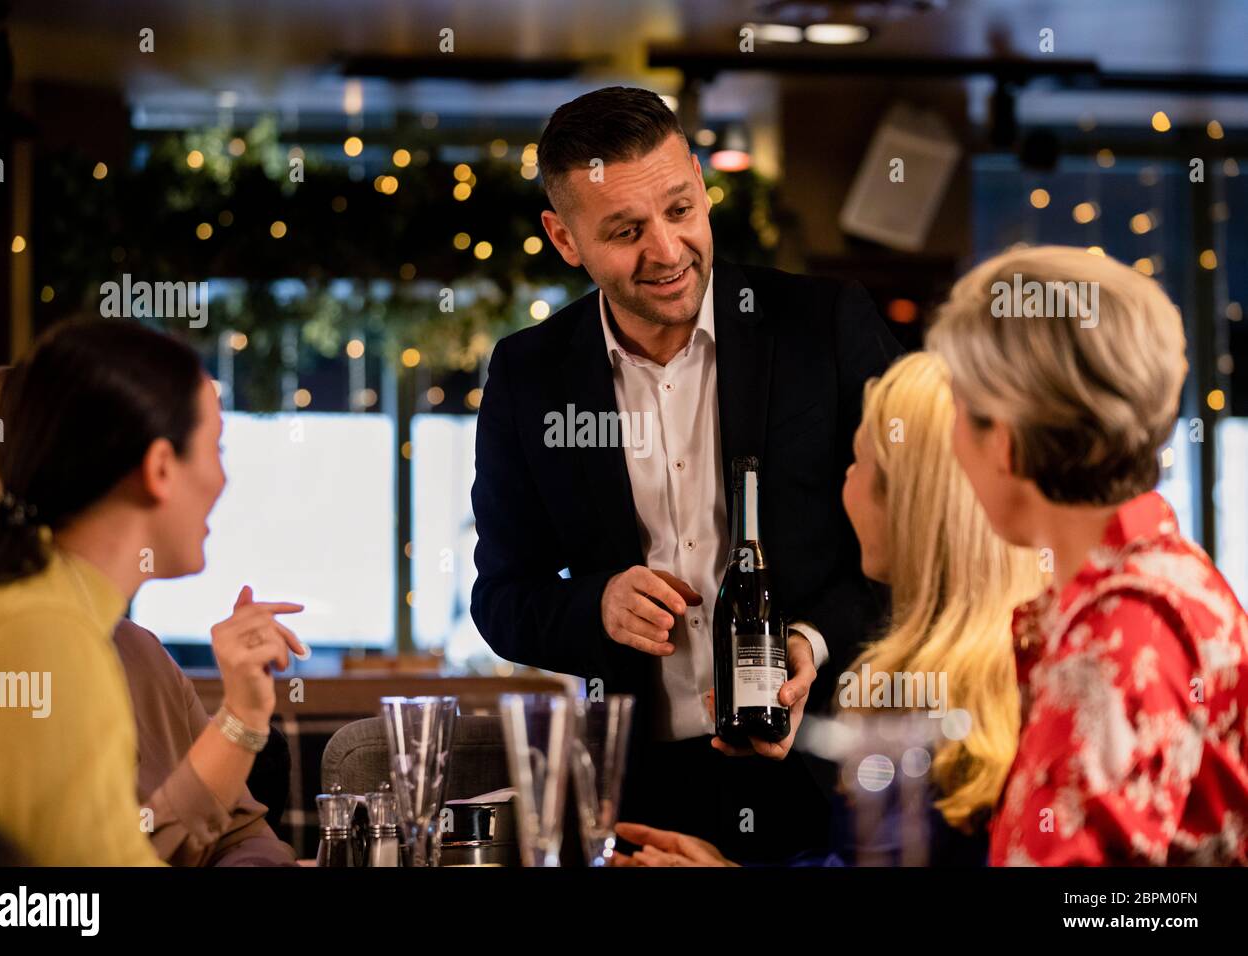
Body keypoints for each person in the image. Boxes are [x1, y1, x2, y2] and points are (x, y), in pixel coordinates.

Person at [471, 86, 902, 862]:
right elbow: (501, 597)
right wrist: (594, 605)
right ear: (564, 239)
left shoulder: (825, 327)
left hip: (832, 773)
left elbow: (920, 539)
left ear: (702, 185)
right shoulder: (528, 375)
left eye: (679, 210)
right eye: (625, 231)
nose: (667, 251)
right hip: (644, 790)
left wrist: (813, 640)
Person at [614, 352, 1044, 865]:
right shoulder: (1004, 659)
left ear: (911, 501)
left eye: (859, 461)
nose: (845, 483)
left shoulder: (938, 710)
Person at [928, 244, 1248, 865]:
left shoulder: (1120, 632)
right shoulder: (1162, 582)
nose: (953, 442)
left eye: (961, 412)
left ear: (1009, 441)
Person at [0, 320, 305, 865]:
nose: (224, 481)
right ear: (160, 467)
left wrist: (243, 717)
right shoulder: (41, 632)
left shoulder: (55, 620)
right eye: (216, 448)